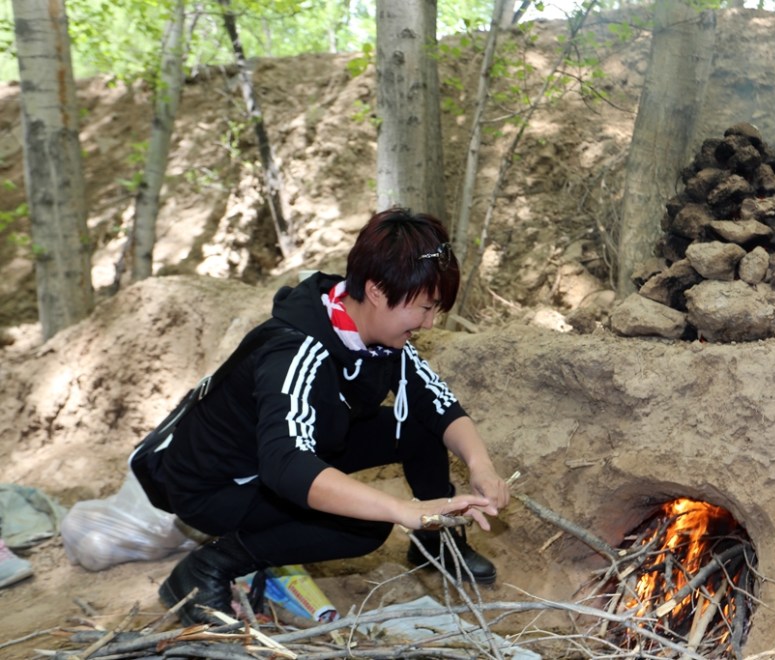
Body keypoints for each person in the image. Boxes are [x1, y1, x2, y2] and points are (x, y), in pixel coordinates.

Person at [148, 207, 510, 625]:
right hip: (219, 483)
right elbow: (287, 466)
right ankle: (208, 567)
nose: (430, 323)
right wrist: (403, 510)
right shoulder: (295, 351)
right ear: (377, 291)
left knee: (417, 424)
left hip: (309, 442)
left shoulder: (376, 335)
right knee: (363, 526)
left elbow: (437, 403)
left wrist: (480, 465)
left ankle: (434, 544)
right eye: (425, 308)